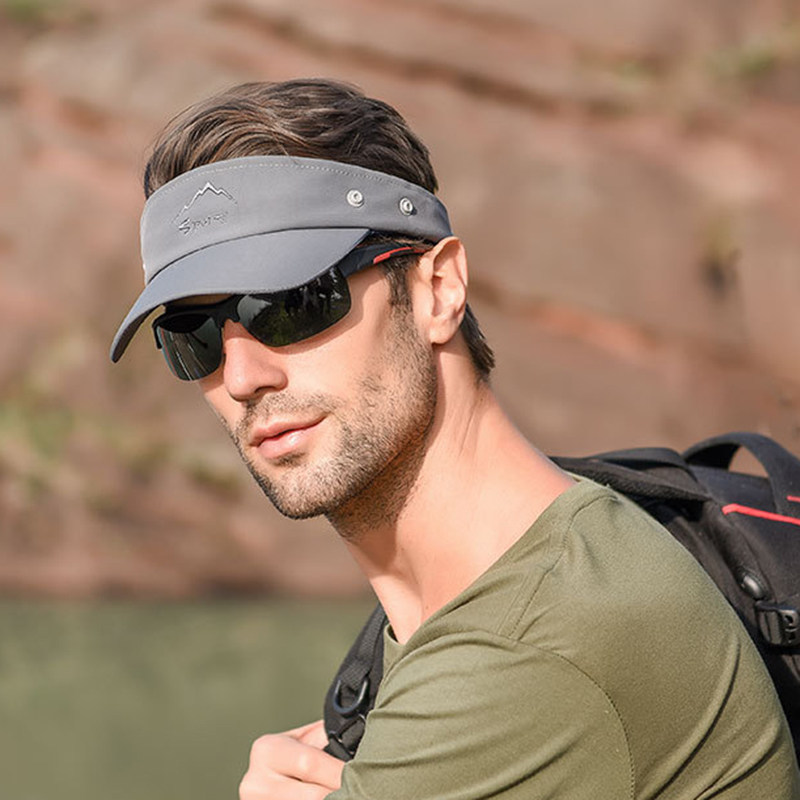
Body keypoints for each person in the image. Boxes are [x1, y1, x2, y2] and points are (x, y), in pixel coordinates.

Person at [111, 79, 800, 800]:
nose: (242, 376)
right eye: (192, 336)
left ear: (438, 289)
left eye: (292, 304)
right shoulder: (523, 573)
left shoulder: (524, 650)